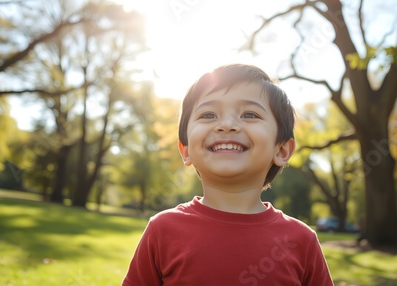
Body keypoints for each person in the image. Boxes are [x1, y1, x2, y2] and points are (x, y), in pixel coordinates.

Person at [122, 64, 333, 285]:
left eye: (249, 114)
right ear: (185, 150)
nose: (226, 125)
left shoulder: (301, 241)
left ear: (281, 150)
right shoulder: (162, 230)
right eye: (208, 114)